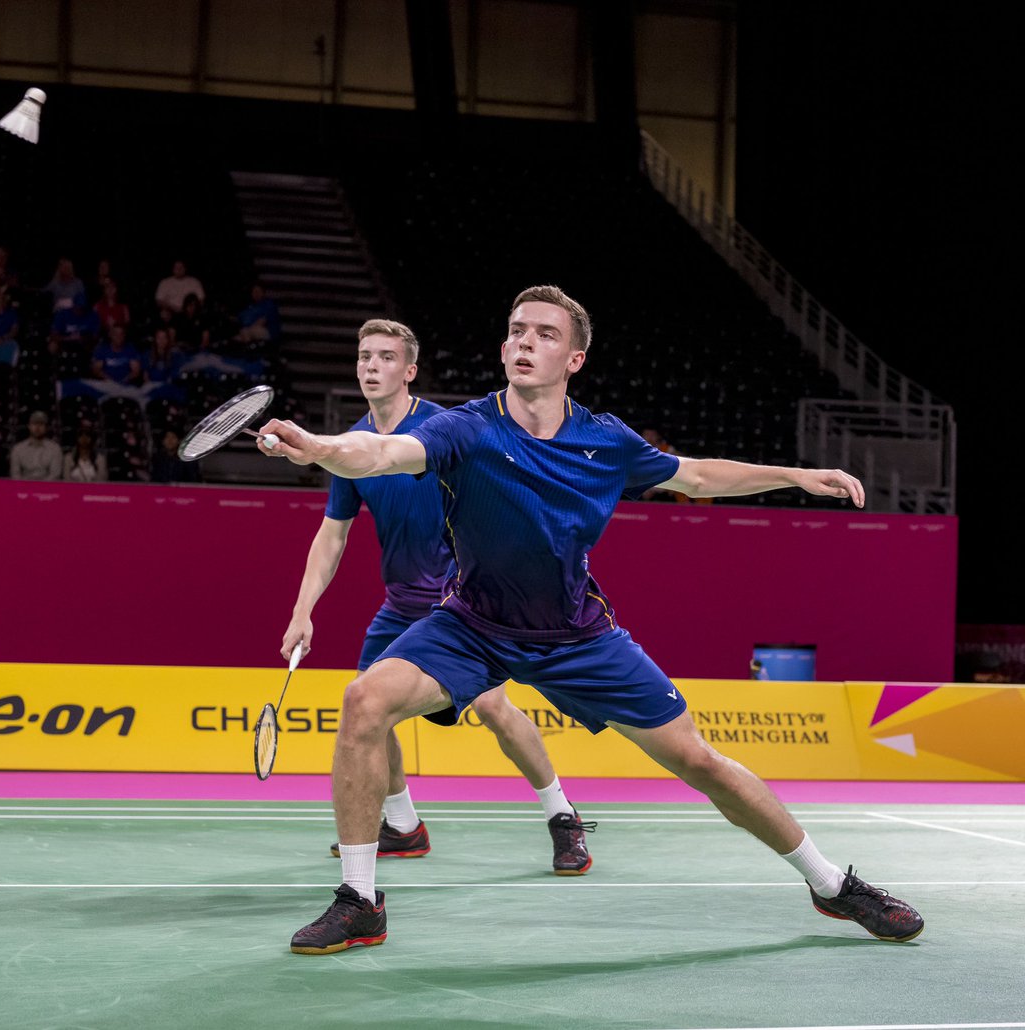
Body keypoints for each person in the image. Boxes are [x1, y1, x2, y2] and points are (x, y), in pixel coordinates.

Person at [258, 285, 924, 955]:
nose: (525, 342)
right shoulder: (466, 428)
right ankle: (359, 900)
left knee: (699, 761)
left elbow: (695, 476)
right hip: (473, 624)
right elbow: (379, 455)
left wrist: (797, 475)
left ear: (575, 358)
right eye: (517, 330)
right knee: (364, 699)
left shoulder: (605, 442)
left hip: (576, 635)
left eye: (544, 334)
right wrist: (314, 445)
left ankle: (832, 884)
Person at [282, 318, 593, 874]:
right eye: (364, 357)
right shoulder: (352, 445)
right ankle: (402, 824)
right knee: (367, 706)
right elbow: (333, 533)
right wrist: (303, 611)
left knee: (496, 708)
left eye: (384, 357)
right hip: (400, 603)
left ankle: (562, 814)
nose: (371, 367)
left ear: (410, 370)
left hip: (461, 603)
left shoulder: (443, 428)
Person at [10, 411, 62, 480]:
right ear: (29, 426)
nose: (37, 427)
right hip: (23, 488)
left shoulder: (55, 449)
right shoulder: (18, 449)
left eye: (41, 424)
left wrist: (39, 487)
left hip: (47, 488)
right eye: (34, 424)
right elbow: (15, 475)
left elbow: (55, 475)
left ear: (46, 428)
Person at [233, 281, 281, 345]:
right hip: (250, 330)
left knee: (245, 332)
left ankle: (250, 351)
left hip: (269, 331)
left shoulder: (269, 304)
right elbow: (241, 319)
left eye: (258, 291)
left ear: (263, 293)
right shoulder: (251, 306)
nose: (256, 294)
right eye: (254, 292)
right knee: (236, 339)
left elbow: (261, 321)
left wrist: (247, 328)